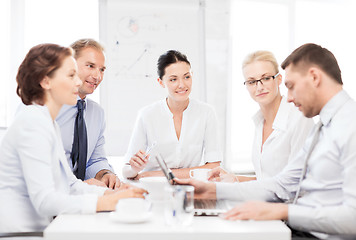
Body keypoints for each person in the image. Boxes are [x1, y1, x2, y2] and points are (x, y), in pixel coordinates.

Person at [176, 43, 356, 239]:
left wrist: (281, 212)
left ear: (314, 77)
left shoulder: (349, 126)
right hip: (300, 230)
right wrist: (213, 190)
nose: (289, 98)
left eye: (291, 86)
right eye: (251, 82)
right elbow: (281, 184)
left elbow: (353, 219)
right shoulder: (323, 128)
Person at [0, 43, 147, 233]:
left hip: (42, 229)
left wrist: (114, 193)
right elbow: (45, 200)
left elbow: (70, 184)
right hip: (19, 233)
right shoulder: (32, 122)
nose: (78, 83)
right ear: (46, 81)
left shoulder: (48, 123)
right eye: (71, 76)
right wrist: (104, 201)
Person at [211, 51, 313, 182]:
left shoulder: (299, 120)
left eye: (265, 78)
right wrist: (235, 179)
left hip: (291, 202)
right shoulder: (260, 123)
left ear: (279, 79)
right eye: (252, 82)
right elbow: (266, 179)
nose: (259, 87)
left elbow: (295, 183)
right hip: (269, 200)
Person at [122, 50, 222, 179]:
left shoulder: (206, 113)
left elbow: (213, 167)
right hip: (152, 187)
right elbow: (127, 171)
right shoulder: (147, 115)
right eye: (173, 79)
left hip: (190, 187)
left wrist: (154, 174)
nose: (182, 85)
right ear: (161, 82)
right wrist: (134, 168)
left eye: (187, 77)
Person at [56, 39, 120, 189]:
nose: (97, 76)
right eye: (90, 66)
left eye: (102, 69)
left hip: (77, 199)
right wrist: (80, 188)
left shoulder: (96, 113)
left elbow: (94, 160)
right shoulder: (48, 107)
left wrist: (105, 174)